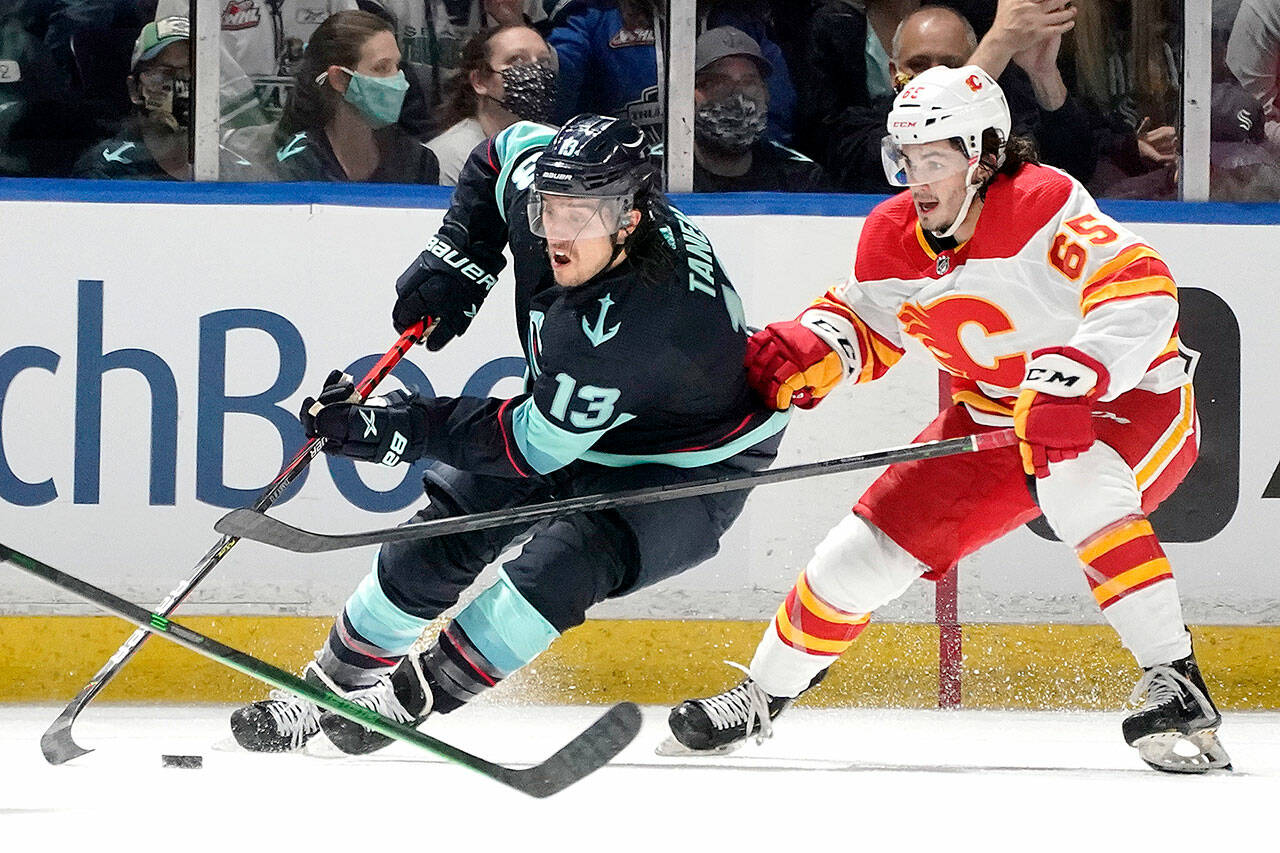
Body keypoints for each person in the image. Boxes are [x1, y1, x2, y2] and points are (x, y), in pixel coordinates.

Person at [667, 65, 1230, 774]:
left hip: (1127, 401)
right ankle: (761, 693)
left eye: (934, 161)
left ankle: (1177, 682)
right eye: (906, 161)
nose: (917, 180)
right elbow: (870, 320)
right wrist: (818, 346)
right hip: (995, 417)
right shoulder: (891, 233)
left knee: (1077, 483)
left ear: (985, 156)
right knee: (861, 553)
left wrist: (1076, 376)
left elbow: (1140, 288)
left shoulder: (1042, 205)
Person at [228, 113, 790, 755]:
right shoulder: (561, 208)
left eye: (580, 215)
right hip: (581, 414)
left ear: (629, 219)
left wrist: (400, 427)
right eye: (550, 208)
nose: (558, 233)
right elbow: (504, 149)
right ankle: (326, 689)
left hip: (692, 460)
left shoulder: (640, 322)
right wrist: (461, 253)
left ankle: (409, 697)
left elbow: (530, 448)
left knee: (561, 569)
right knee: (435, 541)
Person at [653, 25, 831, 192]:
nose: (737, 95)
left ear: (766, 93)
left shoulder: (802, 179)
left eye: (748, 82)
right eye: (718, 83)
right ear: (688, 94)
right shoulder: (653, 176)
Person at [268, 10, 439, 183]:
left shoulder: (419, 162)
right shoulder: (297, 163)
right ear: (340, 79)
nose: (400, 81)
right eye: (381, 68)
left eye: (397, 66)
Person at [425, 23, 556, 185]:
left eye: (543, 61)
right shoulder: (450, 155)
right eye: (516, 60)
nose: (536, 71)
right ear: (479, 81)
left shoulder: (562, 143)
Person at [72, 14, 191, 180]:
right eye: (164, 74)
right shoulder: (106, 170)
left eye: (192, 73)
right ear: (134, 89)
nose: (181, 85)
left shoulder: (223, 160)